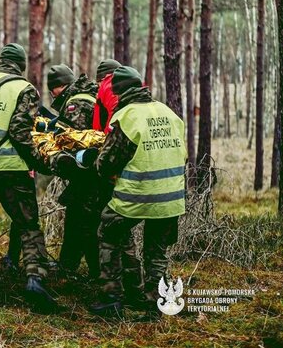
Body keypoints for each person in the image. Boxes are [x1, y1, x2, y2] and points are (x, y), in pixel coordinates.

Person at [0, 43, 57, 310]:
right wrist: (41, 161)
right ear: (21, 65)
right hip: (12, 169)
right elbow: (19, 131)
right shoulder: (24, 89)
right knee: (28, 225)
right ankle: (35, 279)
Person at [89, 66, 186, 317]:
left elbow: (107, 164)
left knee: (108, 231)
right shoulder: (168, 112)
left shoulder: (127, 116)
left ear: (118, 93)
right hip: (172, 197)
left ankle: (111, 298)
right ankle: (155, 303)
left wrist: (93, 159)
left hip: (137, 196)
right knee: (156, 250)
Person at [46, 64, 101, 281]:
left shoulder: (75, 103)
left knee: (84, 222)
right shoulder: (89, 95)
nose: (52, 95)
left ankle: (96, 273)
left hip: (86, 173)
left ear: (60, 86)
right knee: (79, 219)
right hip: (94, 171)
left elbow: (72, 140)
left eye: (53, 89)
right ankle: (69, 266)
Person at [93, 59, 122, 133]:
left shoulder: (109, 87)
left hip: (109, 137)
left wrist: (106, 138)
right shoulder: (122, 86)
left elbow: (114, 118)